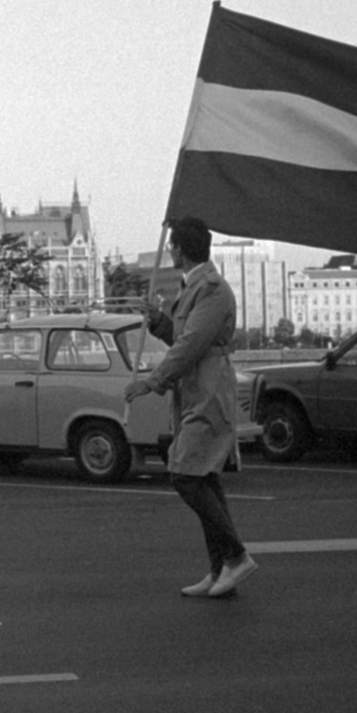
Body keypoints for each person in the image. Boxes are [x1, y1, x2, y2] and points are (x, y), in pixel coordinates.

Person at [124, 216, 255, 599]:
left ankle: (236, 556)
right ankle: (220, 571)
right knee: (205, 477)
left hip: (209, 390)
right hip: (196, 389)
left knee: (185, 473)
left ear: (177, 248)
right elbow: (182, 336)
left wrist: (152, 381)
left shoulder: (211, 288)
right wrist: (159, 323)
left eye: (172, 245)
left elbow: (190, 346)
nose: (169, 250)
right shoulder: (196, 285)